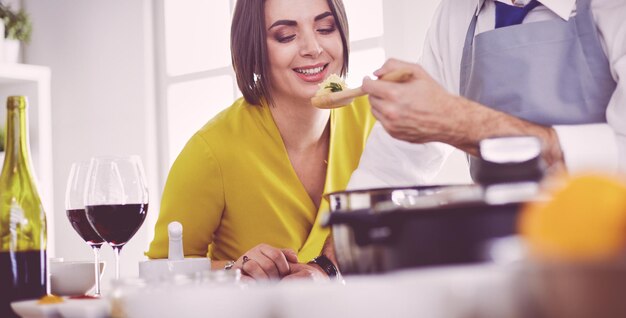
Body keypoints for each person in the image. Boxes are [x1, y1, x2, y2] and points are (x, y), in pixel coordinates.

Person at [146, 0, 375, 281]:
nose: (312, 48)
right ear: (254, 51)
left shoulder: (374, 123)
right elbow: (158, 273)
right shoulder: (211, 152)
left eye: (325, 28)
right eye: (286, 36)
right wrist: (234, 270)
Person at [348, 0, 625, 190]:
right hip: (502, 254)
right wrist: (327, 266)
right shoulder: (456, 13)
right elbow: (389, 167)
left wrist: (466, 124)